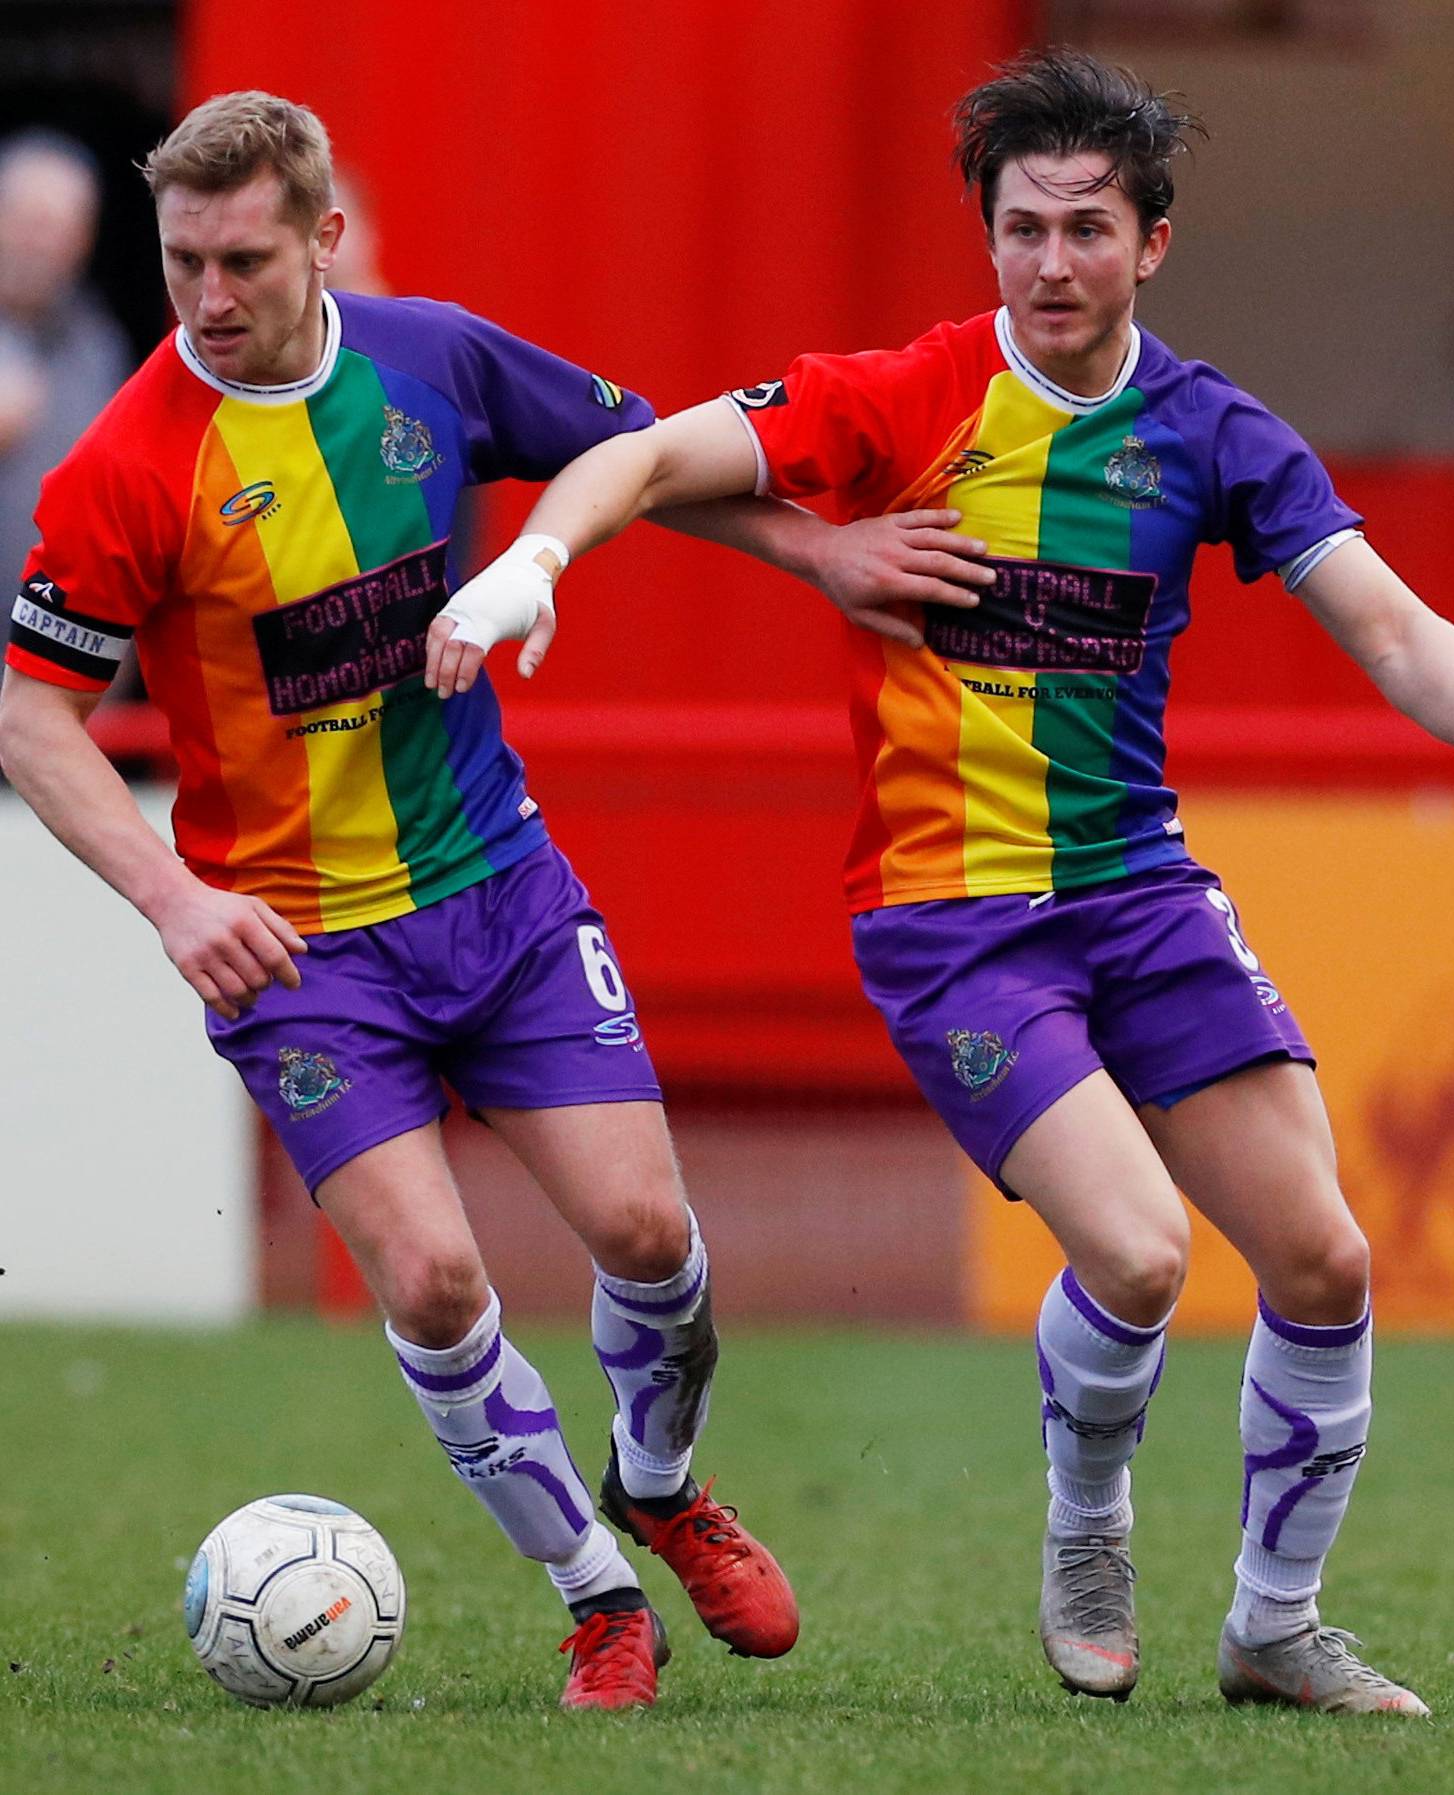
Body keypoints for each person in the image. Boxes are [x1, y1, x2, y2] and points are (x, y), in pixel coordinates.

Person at [439, 49, 1454, 1716]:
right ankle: (1089, 1526)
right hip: (960, 926)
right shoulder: (900, 398)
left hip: (1139, 897)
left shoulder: (1204, 432)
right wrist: (538, 560)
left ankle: (1274, 1626)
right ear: (986, 238)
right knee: (1134, 1258)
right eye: (1022, 229)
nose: (1052, 264)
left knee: (1325, 1261)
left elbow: (1387, 615)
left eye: (1089, 231)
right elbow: (639, 456)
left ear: (1154, 247)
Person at [0, 91, 987, 1711]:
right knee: (440, 1283)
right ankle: (599, 1598)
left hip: (498, 894)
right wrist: (174, 902)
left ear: (323, 239)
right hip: (298, 952)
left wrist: (820, 553)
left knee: (650, 1236)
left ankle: (660, 1485)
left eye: (243, 257)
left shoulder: (436, 361)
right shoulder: (127, 465)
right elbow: (33, 711)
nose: (208, 295)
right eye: (182, 259)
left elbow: (642, 455)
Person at [0, 131, 130, 626]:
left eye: (59, 226)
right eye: (27, 220)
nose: (39, 242)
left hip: (59, 650)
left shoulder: (98, 344)